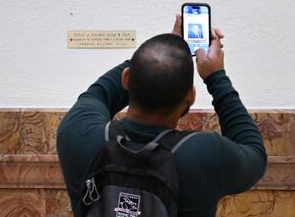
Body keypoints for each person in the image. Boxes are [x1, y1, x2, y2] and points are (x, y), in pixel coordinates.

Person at [56, 16, 267, 217]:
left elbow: (101, 92)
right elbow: (254, 153)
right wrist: (216, 77)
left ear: (127, 78)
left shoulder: (78, 134)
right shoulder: (203, 154)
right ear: (190, 97)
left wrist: (163, 48)